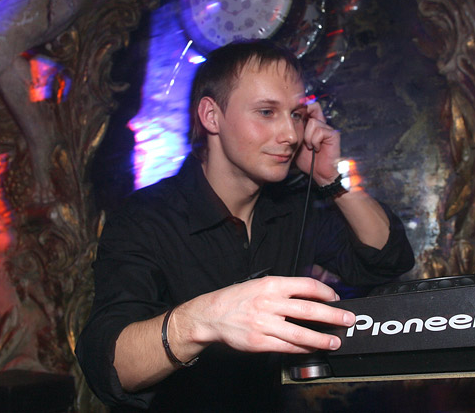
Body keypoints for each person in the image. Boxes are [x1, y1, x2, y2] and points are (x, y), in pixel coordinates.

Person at [76, 39, 414, 411]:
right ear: (211, 116)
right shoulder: (146, 218)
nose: (290, 134)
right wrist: (204, 319)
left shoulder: (290, 209)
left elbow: (387, 260)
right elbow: (108, 366)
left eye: (296, 115)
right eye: (267, 112)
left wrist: (330, 179)